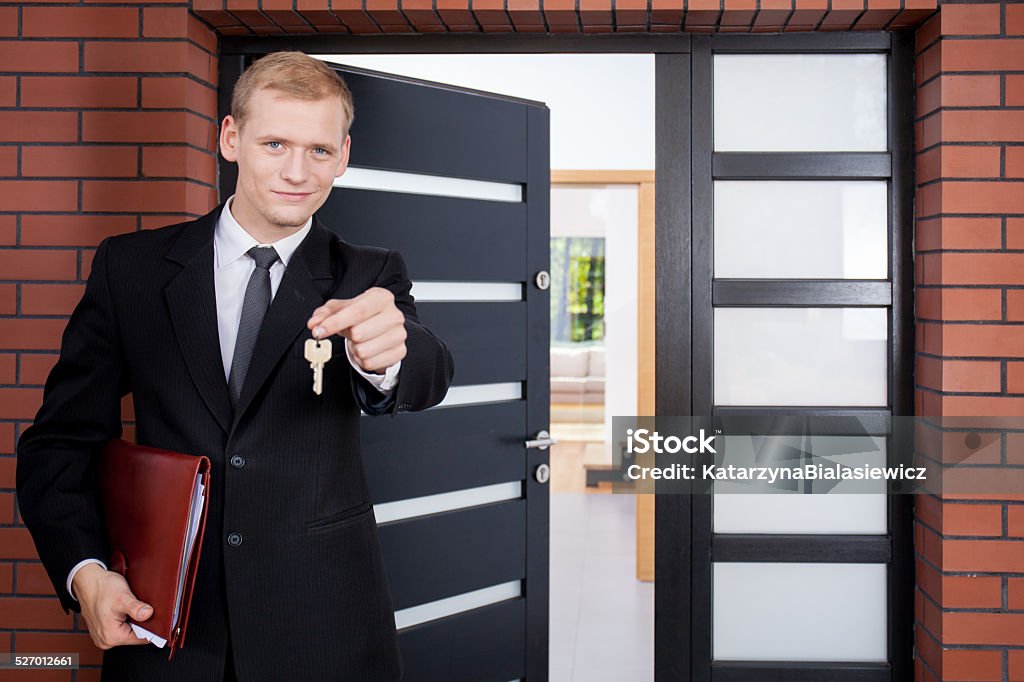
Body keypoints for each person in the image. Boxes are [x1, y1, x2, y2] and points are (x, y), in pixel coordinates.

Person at [15, 51, 454, 681]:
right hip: (166, 629)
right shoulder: (130, 269)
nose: (297, 172)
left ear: (344, 155)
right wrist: (86, 574)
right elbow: (58, 443)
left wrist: (390, 358)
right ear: (231, 138)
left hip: (324, 630)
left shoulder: (369, 274)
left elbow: (429, 372)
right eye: (275, 143)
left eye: (319, 151)